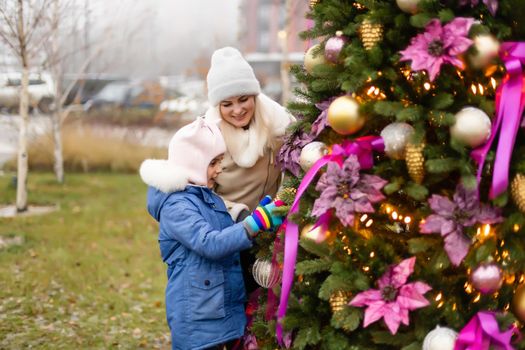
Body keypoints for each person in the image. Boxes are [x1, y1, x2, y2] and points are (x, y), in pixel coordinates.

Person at [139, 117, 284, 350]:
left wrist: (256, 219)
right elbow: (210, 243)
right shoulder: (176, 206)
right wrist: (253, 225)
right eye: (213, 162)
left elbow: (226, 235)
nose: (219, 169)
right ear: (193, 163)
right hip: (196, 316)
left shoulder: (206, 197)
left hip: (214, 308)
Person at [204, 47, 295, 293]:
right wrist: (240, 216)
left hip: (273, 230)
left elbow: (300, 163)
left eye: (243, 99)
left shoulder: (279, 125)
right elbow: (201, 193)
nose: (237, 110)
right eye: (227, 104)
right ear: (217, 106)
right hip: (229, 231)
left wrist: (282, 205)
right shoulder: (208, 137)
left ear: (254, 95)